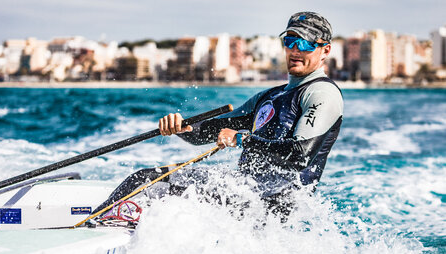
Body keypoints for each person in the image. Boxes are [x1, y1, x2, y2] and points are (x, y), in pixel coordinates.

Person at [94, 11, 343, 215]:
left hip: (270, 204)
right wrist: (184, 127)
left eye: (306, 44)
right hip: (246, 192)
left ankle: (95, 227)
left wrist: (241, 140)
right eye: (289, 42)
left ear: (326, 50)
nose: (295, 50)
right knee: (146, 178)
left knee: (147, 182)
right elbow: (210, 132)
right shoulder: (270, 97)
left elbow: (300, 155)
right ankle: (100, 224)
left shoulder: (321, 93)